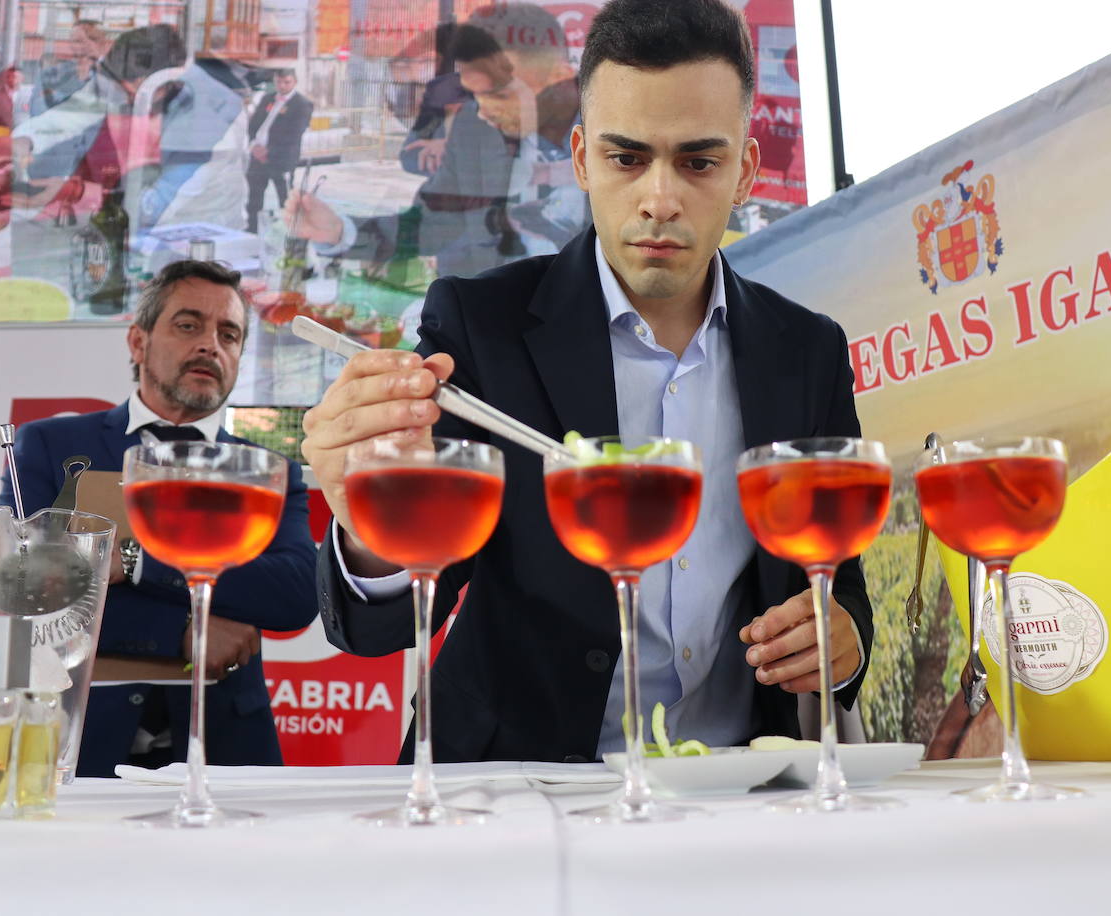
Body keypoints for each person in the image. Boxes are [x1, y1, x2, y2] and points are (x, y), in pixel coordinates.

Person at [301, 0, 873, 764]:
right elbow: (377, 626)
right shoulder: (483, 326)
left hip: (738, 794)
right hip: (513, 796)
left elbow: (841, 590)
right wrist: (369, 527)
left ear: (745, 171)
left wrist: (843, 643)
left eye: (699, 162)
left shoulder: (808, 351)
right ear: (580, 160)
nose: (660, 198)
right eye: (627, 158)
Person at [0, 259, 318, 776]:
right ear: (138, 342)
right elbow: (31, 591)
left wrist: (134, 562)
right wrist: (183, 629)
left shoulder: (270, 471)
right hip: (75, 746)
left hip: (226, 752)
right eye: (188, 325)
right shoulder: (52, 445)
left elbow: (296, 591)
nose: (210, 345)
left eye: (229, 334)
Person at [285, 3, 587, 281]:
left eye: (499, 95)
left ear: (559, 76)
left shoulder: (619, 139)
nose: (483, 111)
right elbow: (434, 223)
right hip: (492, 320)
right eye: (473, 94)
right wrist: (341, 231)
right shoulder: (473, 128)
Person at [13, 23, 251, 231]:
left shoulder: (212, 121)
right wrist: (23, 142)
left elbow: (154, 208)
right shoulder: (128, 74)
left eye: (130, 94)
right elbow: (71, 114)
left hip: (200, 230)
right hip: (138, 223)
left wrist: (74, 192)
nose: (123, 102)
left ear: (162, 85)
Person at [245, 69, 313, 233]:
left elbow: (294, 134)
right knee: (254, 196)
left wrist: (268, 151)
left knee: (285, 197)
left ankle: (290, 231)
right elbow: (253, 124)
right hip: (257, 156)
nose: (282, 86)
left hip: (281, 158)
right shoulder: (267, 99)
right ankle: (253, 228)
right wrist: (254, 145)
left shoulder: (302, 104)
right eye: (279, 82)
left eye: (287, 82)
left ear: (294, 82)